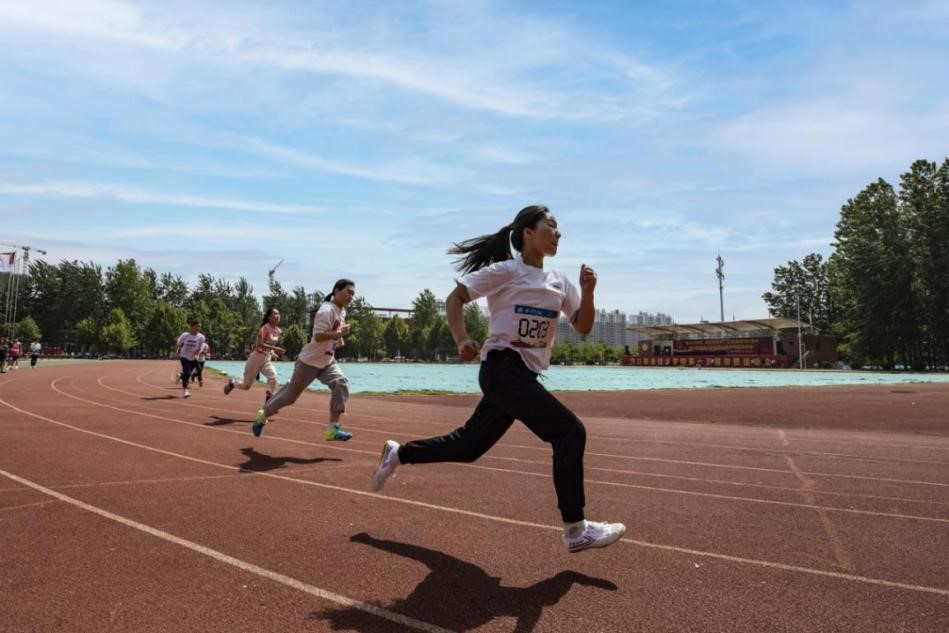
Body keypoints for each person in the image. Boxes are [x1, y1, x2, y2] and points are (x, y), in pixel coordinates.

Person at [370, 205, 625, 553]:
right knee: (569, 431)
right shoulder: (506, 271)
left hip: (522, 375)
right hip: (502, 369)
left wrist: (589, 291)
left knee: (469, 446)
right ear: (528, 233)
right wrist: (461, 339)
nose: (558, 233)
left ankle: (400, 453)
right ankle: (575, 529)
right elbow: (456, 298)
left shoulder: (560, 281)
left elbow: (582, 326)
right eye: (551, 226)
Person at [252, 280, 354, 441]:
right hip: (309, 362)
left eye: (353, 294)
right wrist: (339, 334)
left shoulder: (341, 312)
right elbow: (318, 336)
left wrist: (338, 339)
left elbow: (334, 333)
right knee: (289, 397)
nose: (351, 297)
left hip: (327, 361)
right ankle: (263, 415)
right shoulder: (326, 310)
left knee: (341, 382)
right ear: (336, 291)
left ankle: (333, 429)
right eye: (348, 292)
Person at [224, 307, 284, 403]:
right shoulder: (265, 328)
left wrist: (273, 353)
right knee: (246, 386)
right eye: (275, 314)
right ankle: (232, 383)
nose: (278, 316)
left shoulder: (278, 331)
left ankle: (268, 403)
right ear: (269, 317)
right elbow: (259, 344)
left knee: (273, 377)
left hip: (266, 359)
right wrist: (276, 349)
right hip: (256, 357)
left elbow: (270, 346)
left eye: (278, 313)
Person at [175, 320, 206, 399]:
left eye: (199, 326)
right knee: (188, 373)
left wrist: (197, 354)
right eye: (196, 326)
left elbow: (199, 348)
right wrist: (176, 352)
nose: (198, 328)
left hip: (193, 357)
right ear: (192, 326)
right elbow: (178, 343)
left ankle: (180, 376)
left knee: (189, 373)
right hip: (184, 356)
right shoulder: (185, 335)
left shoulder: (201, 337)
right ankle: (185, 390)